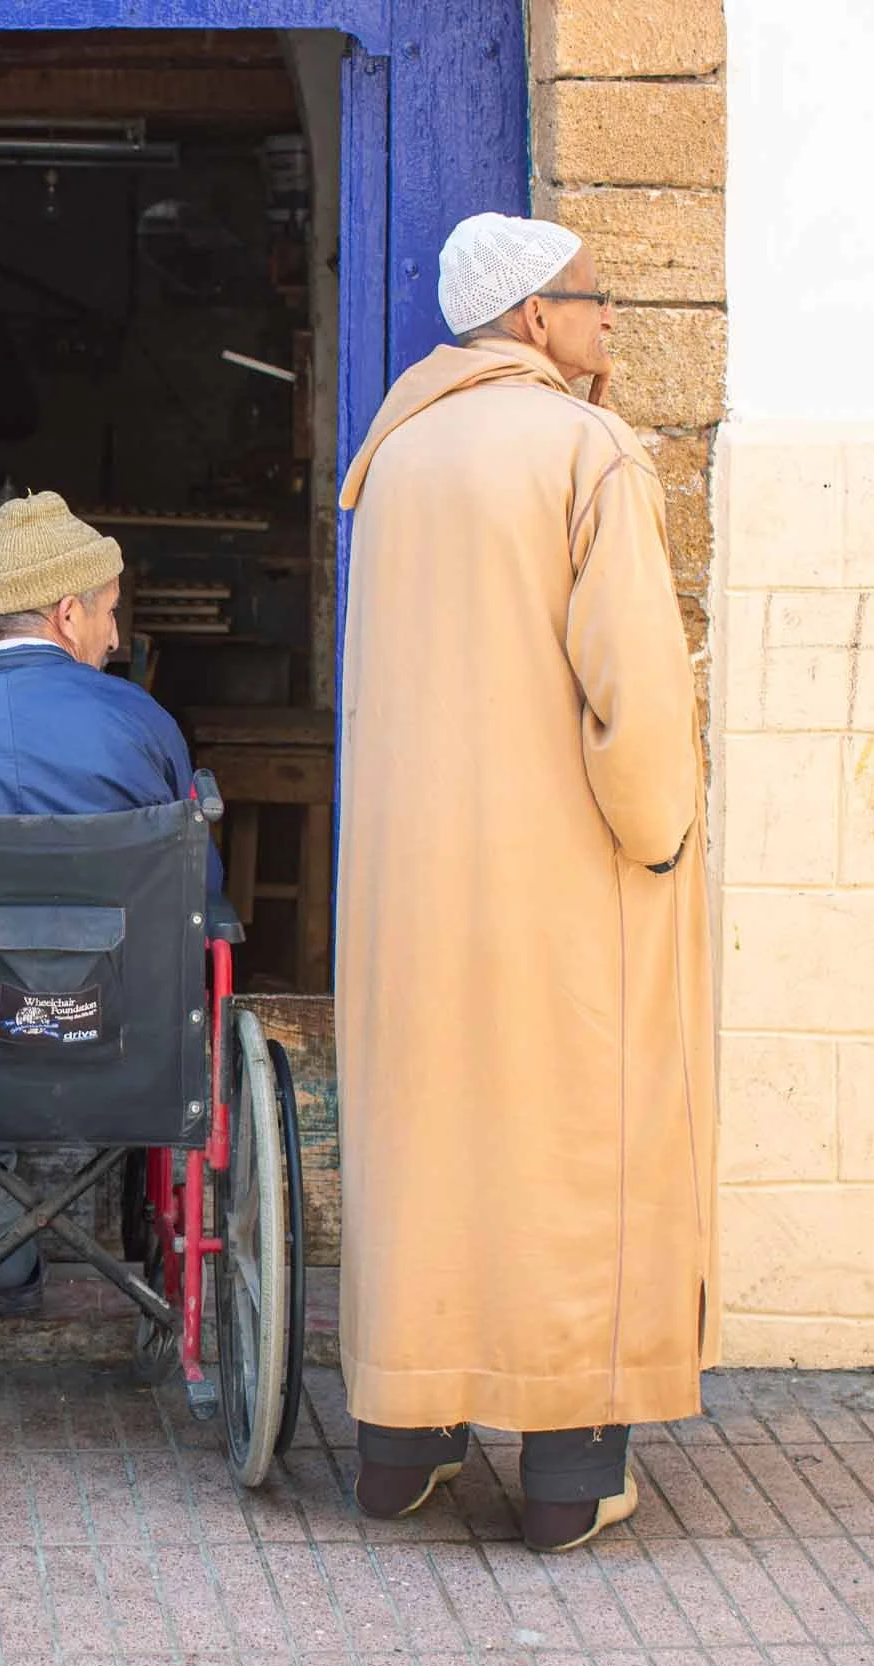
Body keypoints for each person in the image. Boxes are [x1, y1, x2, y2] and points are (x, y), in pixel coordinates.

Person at [333, 212, 718, 1553]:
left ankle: (401, 1442)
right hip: (557, 878)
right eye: (595, 300)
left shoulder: (392, 456)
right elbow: (638, 689)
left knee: (432, 1142)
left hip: (409, 886)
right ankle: (566, 1470)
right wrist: (661, 831)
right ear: (536, 317)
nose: (612, 321)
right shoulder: (585, 449)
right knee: (570, 1150)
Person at [0, 490, 218, 1316]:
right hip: (123, 1038)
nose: (115, 636)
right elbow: (196, 898)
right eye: (108, 614)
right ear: (68, 613)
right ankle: (28, 1228)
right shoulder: (144, 723)